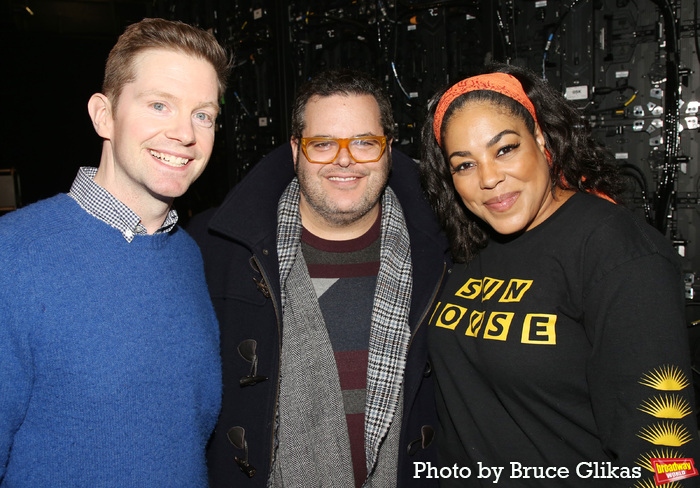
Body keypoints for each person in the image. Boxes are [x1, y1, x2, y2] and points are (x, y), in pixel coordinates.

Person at [419, 63, 700, 487]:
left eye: (505, 148)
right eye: (464, 165)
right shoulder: (467, 243)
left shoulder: (617, 253)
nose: (490, 178)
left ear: (541, 138)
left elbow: (667, 457)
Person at [188, 69, 449, 487]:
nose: (344, 159)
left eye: (364, 142)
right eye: (323, 144)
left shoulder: (445, 250)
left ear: (387, 149)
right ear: (296, 150)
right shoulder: (214, 248)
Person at [0, 18, 230, 487]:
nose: (185, 134)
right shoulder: (14, 254)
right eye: (160, 105)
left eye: (203, 114)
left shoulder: (187, 255)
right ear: (103, 115)